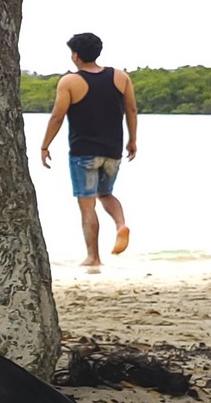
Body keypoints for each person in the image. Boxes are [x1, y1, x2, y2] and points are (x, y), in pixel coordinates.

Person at [39, 32, 138, 268]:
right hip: (113, 151)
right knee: (106, 194)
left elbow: (57, 116)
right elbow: (131, 110)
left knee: (87, 205)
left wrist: (45, 145)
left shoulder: (70, 81)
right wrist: (132, 140)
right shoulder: (120, 77)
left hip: (83, 152)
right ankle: (120, 224)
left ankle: (93, 257)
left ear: (75, 55)